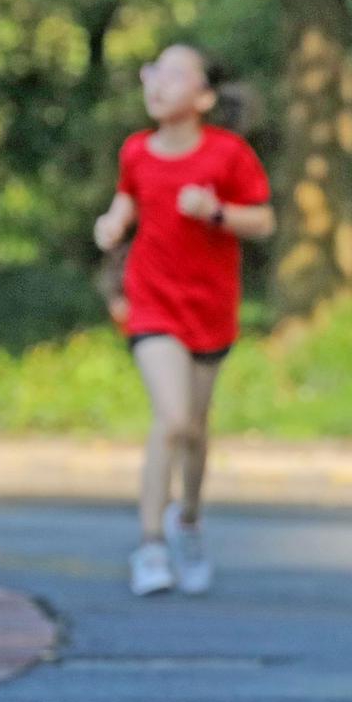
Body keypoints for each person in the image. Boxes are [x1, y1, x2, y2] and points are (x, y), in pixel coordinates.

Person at [93, 45, 274, 596]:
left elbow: (263, 221)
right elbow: (127, 199)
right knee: (171, 419)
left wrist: (215, 212)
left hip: (210, 308)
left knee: (194, 430)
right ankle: (150, 545)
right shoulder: (136, 152)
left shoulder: (228, 154)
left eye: (174, 74)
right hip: (150, 300)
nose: (157, 82)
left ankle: (187, 522)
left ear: (202, 97)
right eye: (153, 70)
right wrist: (111, 221)